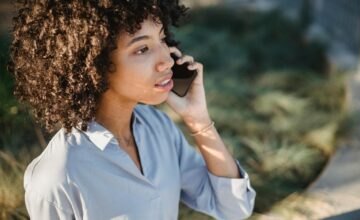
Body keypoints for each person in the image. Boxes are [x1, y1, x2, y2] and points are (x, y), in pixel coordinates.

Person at [8, 0, 256, 219]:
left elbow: (234, 207)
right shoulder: (58, 177)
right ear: (94, 66)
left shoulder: (159, 128)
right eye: (142, 49)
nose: (168, 60)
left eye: (161, 38)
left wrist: (198, 120)